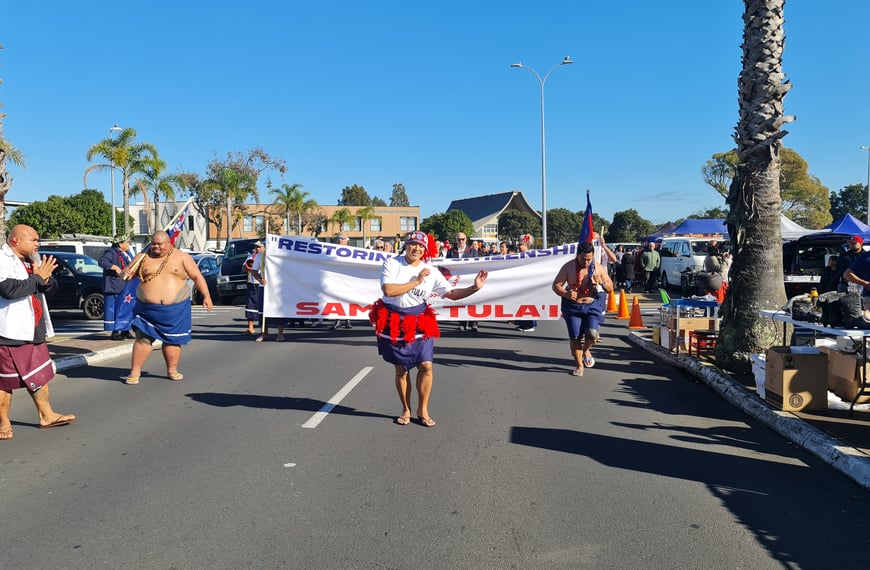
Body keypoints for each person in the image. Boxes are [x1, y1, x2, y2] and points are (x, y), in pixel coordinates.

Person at [370, 231, 488, 427]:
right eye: (413, 244)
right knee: (401, 369)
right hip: (394, 320)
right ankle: (406, 409)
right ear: (406, 245)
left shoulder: (430, 270)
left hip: (419, 320)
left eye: (420, 246)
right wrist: (416, 281)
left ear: (425, 249)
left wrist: (474, 288)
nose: (416, 248)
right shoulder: (392, 264)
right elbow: (389, 290)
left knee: (426, 365)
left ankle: (422, 409)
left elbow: (451, 293)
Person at [0, 225, 76, 439]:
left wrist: (46, 279)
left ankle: (47, 415)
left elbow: (50, 289)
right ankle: (3, 424)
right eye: (33, 240)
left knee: (39, 376)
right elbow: (8, 290)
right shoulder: (2, 259)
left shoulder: (34, 261)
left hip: (34, 329)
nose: (37, 244)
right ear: (15, 240)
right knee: (5, 381)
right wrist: (38, 278)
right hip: (9, 332)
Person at [121, 230, 213, 385]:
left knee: (172, 341)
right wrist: (126, 272)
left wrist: (206, 295)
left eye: (160, 244)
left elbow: (197, 276)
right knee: (142, 339)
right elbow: (127, 274)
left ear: (169, 243)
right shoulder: (142, 257)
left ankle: (172, 369)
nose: (156, 247)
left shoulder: (182, 257)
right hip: (147, 309)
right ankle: (135, 371)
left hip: (176, 309)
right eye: (153, 243)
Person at [552, 241, 614, 377]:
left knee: (592, 334)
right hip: (572, 306)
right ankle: (579, 365)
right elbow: (556, 285)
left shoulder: (597, 268)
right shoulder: (568, 267)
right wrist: (565, 293)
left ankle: (585, 350)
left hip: (592, 304)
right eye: (583, 259)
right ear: (577, 255)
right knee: (575, 337)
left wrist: (601, 282)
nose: (586, 262)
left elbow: (610, 287)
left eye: (589, 259)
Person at [99, 235, 136, 340]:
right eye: (127, 242)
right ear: (120, 244)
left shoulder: (128, 254)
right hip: (114, 286)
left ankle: (125, 330)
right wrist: (115, 267)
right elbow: (102, 262)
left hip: (125, 286)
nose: (128, 244)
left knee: (125, 308)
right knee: (114, 309)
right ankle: (115, 331)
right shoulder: (111, 252)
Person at [445, 232, 480, 331]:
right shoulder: (451, 251)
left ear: (466, 240)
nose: (461, 241)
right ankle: (462, 323)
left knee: (472, 301)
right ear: (456, 240)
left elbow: (477, 265)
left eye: (463, 239)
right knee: (460, 301)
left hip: (469, 279)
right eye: (459, 239)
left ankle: (474, 323)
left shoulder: (472, 251)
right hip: (457, 280)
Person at [244, 241, 266, 335]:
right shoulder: (250, 256)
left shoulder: (266, 257)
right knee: (250, 305)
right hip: (252, 283)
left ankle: (264, 329)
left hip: (262, 284)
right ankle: (250, 328)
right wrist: (248, 266)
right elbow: (243, 269)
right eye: (256, 247)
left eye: (259, 247)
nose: (257, 249)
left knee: (262, 307)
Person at [332, 233, 353, 329]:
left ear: (347, 240)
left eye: (343, 238)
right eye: (340, 238)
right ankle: (338, 320)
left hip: (348, 279)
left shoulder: (353, 251)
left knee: (348, 299)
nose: (341, 240)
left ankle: (347, 320)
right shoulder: (332, 250)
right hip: (337, 279)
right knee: (337, 299)